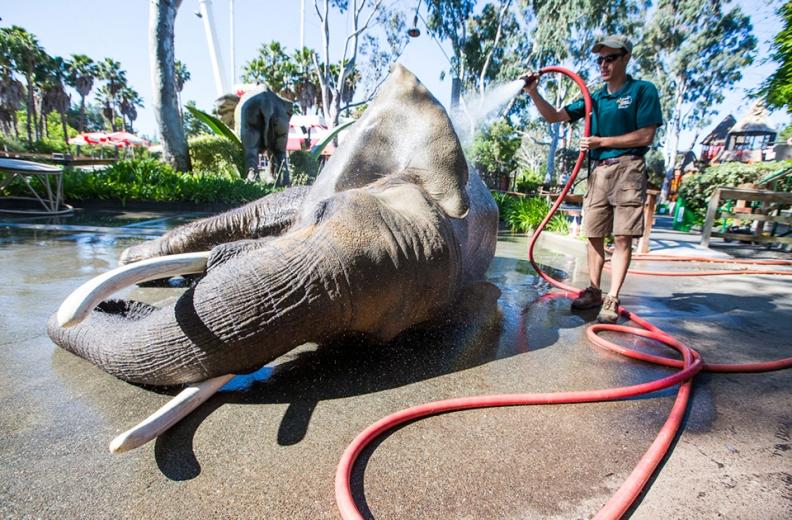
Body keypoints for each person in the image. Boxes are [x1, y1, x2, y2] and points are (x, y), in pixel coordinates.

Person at [522, 35, 663, 323]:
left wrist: (602, 141)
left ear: (625, 58)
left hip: (628, 168)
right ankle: (594, 291)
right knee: (594, 233)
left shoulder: (642, 90)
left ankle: (613, 297)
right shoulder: (594, 98)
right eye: (600, 60)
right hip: (598, 171)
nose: (603, 64)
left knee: (622, 236)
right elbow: (554, 116)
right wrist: (533, 92)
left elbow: (646, 135)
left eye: (610, 58)